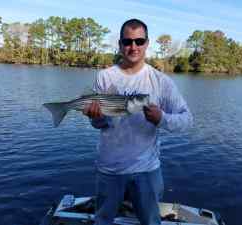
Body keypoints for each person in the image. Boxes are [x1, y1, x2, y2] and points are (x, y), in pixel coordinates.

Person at [83, 18, 193, 225]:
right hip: (109, 169)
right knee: (102, 221)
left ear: (147, 43)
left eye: (139, 41)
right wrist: (96, 118)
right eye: (127, 41)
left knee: (151, 222)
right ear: (120, 44)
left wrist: (162, 119)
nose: (133, 46)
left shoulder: (161, 81)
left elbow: (187, 120)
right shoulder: (105, 77)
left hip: (147, 170)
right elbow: (100, 125)